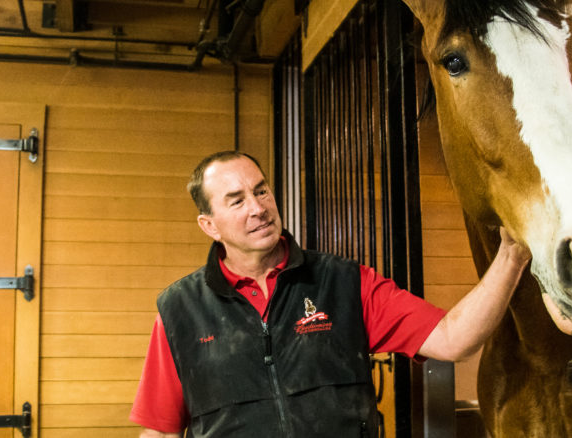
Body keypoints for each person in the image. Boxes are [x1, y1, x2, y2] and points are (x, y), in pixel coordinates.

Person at [130, 151, 531, 437]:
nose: (258, 208)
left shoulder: (343, 283)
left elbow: (452, 338)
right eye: (237, 201)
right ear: (209, 225)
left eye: (262, 191)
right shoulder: (180, 310)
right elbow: (162, 431)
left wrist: (511, 254)